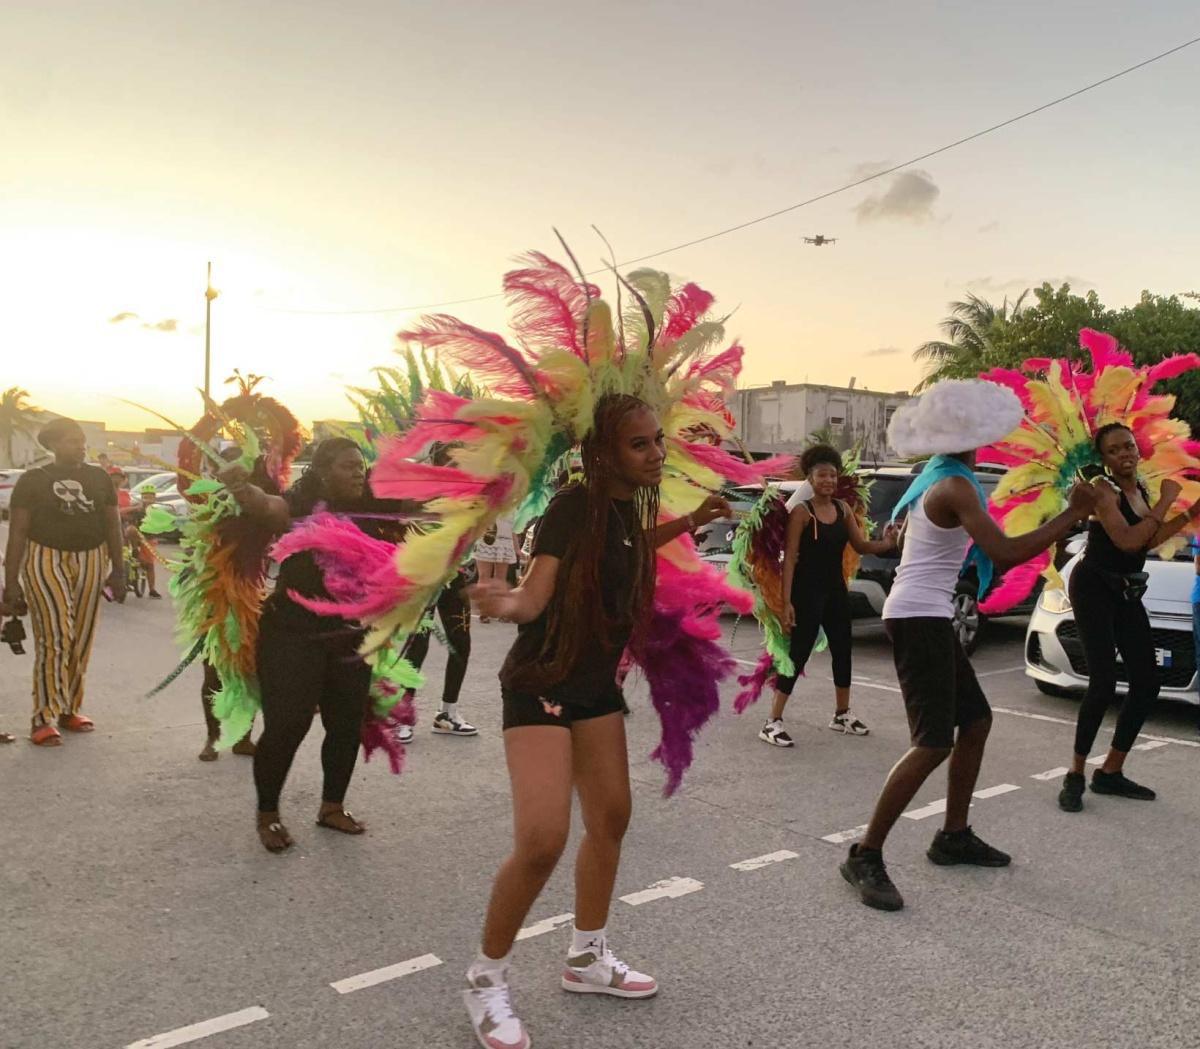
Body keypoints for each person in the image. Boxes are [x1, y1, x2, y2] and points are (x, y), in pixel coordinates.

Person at [462, 393, 730, 1049]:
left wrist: (690, 519)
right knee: (544, 838)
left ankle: (586, 957)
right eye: (640, 444)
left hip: (593, 690)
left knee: (610, 817)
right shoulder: (573, 505)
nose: (656, 452)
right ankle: (484, 977)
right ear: (604, 450)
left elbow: (630, 545)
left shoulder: (620, 509)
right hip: (543, 685)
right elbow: (537, 592)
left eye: (657, 440)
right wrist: (504, 599)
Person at [839, 381, 1094, 912]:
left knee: (975, 721)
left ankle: (953, 835)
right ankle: (864, 853)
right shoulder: (953, 485)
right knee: (932, 742)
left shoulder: (939, 474)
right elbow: (1001, 554)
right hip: (918, 618)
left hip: (927, 614)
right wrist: (1072, 514)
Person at [220, 437, 400, 852]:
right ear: (321, 471)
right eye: (348, 465)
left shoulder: (372, 502)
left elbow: (427, 503)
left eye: (361, 465)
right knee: (287, 726)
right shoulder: (301, 503)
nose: (358, 471)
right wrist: (240, 489)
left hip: (351, 633)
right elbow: (268, 508)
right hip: (292, 632)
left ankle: (331, 806)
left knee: (346, 723)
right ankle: (268, 814)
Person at [1057, 423, 1200, 811]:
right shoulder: (1103, 491)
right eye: (1116, 450)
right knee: (1102, 682)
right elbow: (1128, 540)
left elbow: (1150, 540)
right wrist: (1167, 502)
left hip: (1125, 590)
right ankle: (1075, 774)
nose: (1126, 454)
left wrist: (1189, 513)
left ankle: (1110, 772)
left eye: (1130, 447)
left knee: (1147, 681)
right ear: (1103, 458)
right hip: (1093, 588)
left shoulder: (1141, 490)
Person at [759, 444, 898, 747]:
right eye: (822, 475)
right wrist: (786, 603)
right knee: (797, 655)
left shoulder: (843, 509)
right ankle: (772, 721)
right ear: (809, 478)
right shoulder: (801, 512)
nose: (829, 481)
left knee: (843, 649)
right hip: (806, 593)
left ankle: (841, 714)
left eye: (833, 476)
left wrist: (887, 543)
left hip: (835, 591)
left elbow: (861, 546)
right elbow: (791, 559)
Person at [2, 418, 125, 745]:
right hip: (45, 558)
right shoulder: (32, 480)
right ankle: (43, 717)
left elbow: (113, 526)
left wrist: (119, 568)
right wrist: (11, 582)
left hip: (92, 557)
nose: (80, 446)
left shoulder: (98, 478)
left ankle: (69, 708)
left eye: (82, 440)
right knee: (55, 635)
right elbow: (17, 533)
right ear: (53, 444)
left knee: (81, 637)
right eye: (72, 440)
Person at [399, 569, 477, 743]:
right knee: (418, 643)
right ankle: (402, 715)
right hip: (421, 572)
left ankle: (447, 713)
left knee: (461, 643)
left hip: (454, 571)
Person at [474, 514, 517, 622]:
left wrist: (516, 547)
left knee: (500, 579)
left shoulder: (514, 503)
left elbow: (515, 526)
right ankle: (484, 611)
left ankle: (500, 610)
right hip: (486, 538)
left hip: (505, 541)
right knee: (484, 577)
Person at [124, 483, 163, 598]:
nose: (148, 500)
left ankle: (152, 589)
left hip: (149, 539)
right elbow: (121, 512)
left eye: (151, 497)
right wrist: (136, 508)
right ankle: (135, 551)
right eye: (145, 497)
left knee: (150, 565)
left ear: (154, 498)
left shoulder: (156, 511)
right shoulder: (136, 508)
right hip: (135, 538)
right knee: (130, 530)